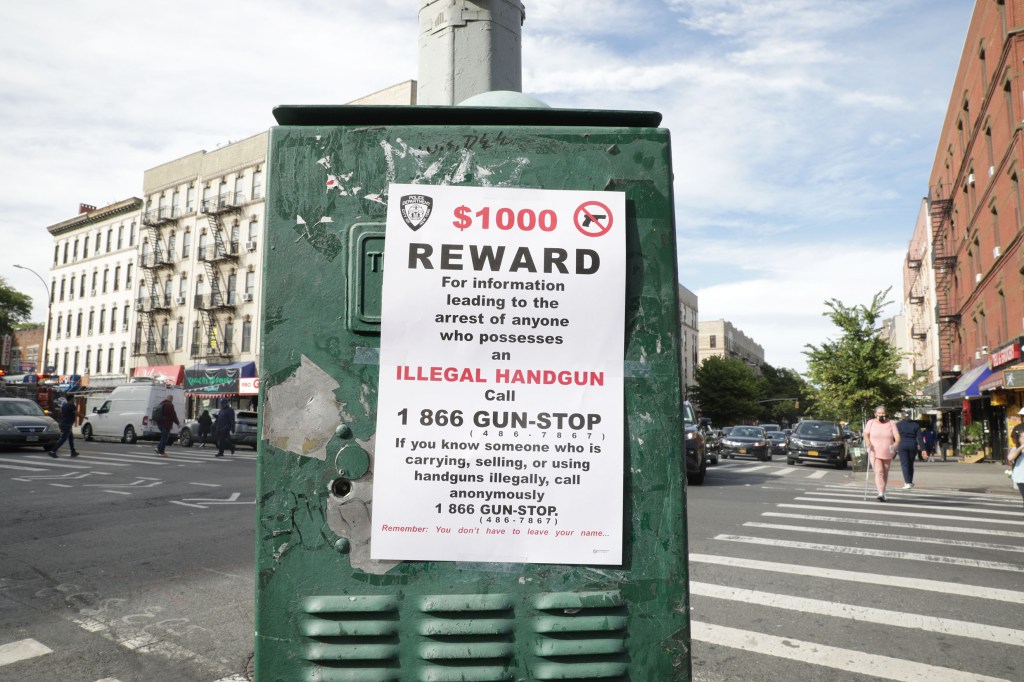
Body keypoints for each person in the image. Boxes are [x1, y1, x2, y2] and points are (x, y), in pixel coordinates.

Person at [864, 405, 900, 501]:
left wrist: (896, 444)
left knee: (885, 473)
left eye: (883, 413)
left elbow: (897, 436)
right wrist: (867, 442)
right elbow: (866, 434)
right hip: (874, 451)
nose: (881, 415)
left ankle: (883, 492)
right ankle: (880, 492)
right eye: (879, 413)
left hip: (887, 451)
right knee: (878, 472)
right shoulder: (870, 423)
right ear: (875, 414)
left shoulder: (891, 423)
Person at [895, 412, 920, 490]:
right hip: (913, 445)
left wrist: (893, 446)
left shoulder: (898, 425)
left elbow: (894, 436)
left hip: (902, 444)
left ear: (901, 417)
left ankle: (907, 482)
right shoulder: (915, 425)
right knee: (910, 464)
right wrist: (923, 449)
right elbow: (920, 438)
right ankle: (910, 481)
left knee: (904, 464)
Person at [1009, 422, 1024, 511]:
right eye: (1022, 437)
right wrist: (1021, 448)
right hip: (1021, 479)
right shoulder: (1016, 449)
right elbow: (1010, 457)